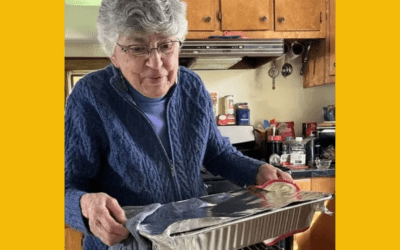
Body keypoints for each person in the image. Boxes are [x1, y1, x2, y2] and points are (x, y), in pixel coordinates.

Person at [64, 0, 293, 249]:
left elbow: (217, 153)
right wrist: (84, 205)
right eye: (138, 48)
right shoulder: (90, 96)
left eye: (165, 46)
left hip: (194, 240)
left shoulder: (192, 87)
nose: (156, 63)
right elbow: (68, 186)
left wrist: (258, 171)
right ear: (114, 55)